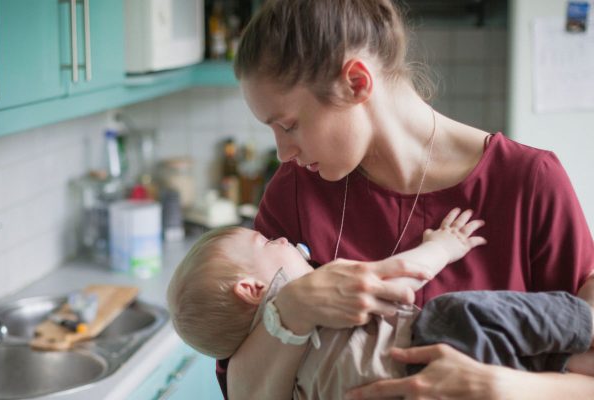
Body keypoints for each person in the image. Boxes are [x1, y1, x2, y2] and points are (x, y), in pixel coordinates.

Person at [225, 0, 594, 399]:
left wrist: (499, 387)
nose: (283, 152)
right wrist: (291, 310)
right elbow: (243, 391)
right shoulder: (294, 191)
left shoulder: (530, 182)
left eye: (289, 125)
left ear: (357, 83)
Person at [167, 210, 594, 400]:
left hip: (421, 387)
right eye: (264, 242)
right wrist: (442, 248)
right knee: (460, 312)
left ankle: (571, 360)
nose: (277, 237)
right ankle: (585, 321)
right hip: (430, 349)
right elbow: (398, 279)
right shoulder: (305, 288)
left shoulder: (276, 371)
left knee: (529, 360)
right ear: (251, 289)